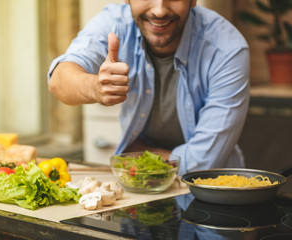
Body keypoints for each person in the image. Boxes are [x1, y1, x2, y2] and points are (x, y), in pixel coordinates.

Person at [47, 0, 250, 175]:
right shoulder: (114, 23)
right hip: (141, 185)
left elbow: (205, 159)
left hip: (211, 190)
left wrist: (143, 154)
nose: (159, 10)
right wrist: (94, 88)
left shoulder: (227, 48)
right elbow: (59, 79)